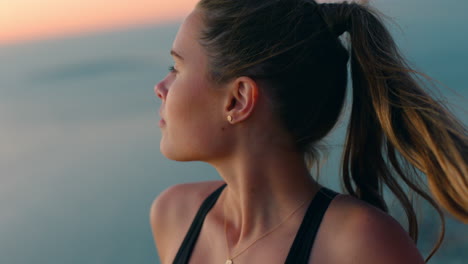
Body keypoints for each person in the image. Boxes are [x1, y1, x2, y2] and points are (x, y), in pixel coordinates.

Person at [150, 0, 468, 263]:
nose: (160, 88)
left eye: (175, 69)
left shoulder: (360, 246)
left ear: (238, 99)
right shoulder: (174, 216)